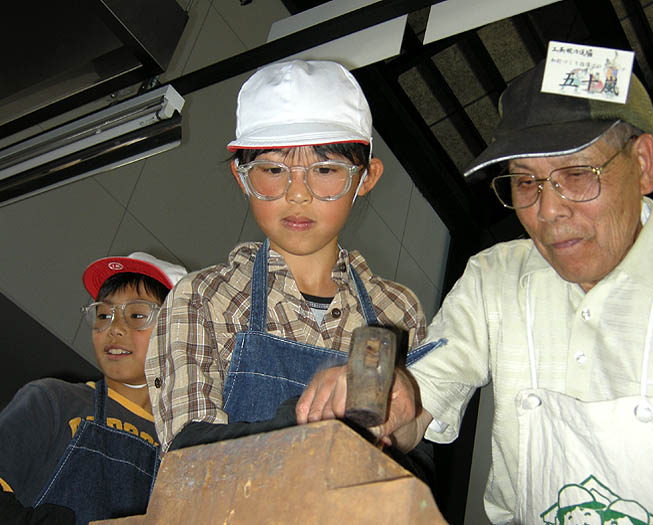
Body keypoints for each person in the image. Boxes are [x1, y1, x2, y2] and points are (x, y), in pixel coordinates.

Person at [297, 59, 653, 523]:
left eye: (576, 173)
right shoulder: (497, 277)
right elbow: (421, 400)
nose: (548, 209)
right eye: (526, 182)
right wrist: (394, 400)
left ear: (643, 164)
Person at [144, 59, 440, 458]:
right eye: (272, 169)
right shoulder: (204, 298)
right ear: (241, 176)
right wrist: (316, 426)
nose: (297, 193)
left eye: (325, 170)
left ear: (366, 178)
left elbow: (414, 444)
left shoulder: (398, 311)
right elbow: (187, 453)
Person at [0, 252, 187, 525]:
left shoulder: (183, 450)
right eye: (103, 314)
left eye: (137, 315)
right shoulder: (53, 402)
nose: (114, 328)